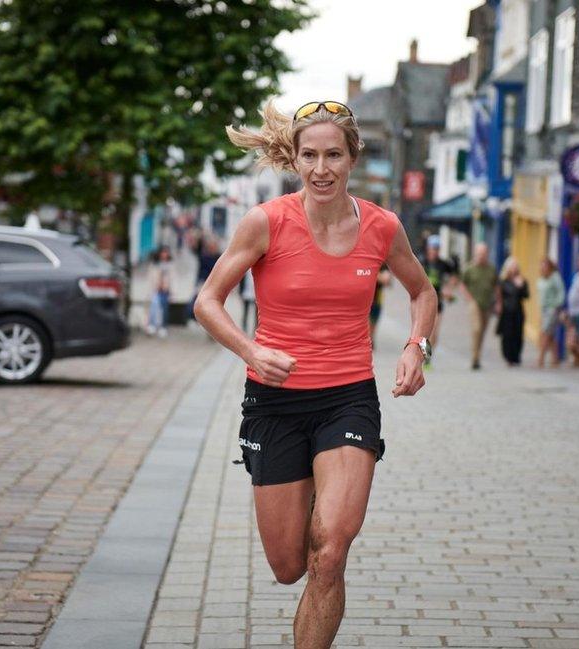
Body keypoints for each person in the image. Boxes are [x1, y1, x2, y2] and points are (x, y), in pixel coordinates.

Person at [194, 99, 436, 649]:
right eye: (310, 156)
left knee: (329, 551)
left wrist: (416, 347)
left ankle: (328, 515)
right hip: (275, 402)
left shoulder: (382, 226)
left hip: (348, 398)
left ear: (353, 159)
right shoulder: (266, 222)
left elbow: (422, 291)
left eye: (333, 155)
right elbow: (208, 301)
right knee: (288, 565)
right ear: (295, 160)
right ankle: (311, 495)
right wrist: (250, 352)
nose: (321, 168)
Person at [419, 234, 457, 362]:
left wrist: (449, 289)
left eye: (437, 248)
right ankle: (422, 355)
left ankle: (428, 357)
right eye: (432, 248)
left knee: (434, 333)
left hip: (438, 302)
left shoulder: (443, 264)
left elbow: (454, 276)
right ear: (428, 248)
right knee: (424, 333)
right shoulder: (422, 262)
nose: (434, 251)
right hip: (423, 302)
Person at [459, 243, 497, 370]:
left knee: (482, 331)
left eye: (484, 254)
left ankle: (477, 356)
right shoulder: (470, 268)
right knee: (476, 328)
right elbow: (463, 285)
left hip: (487, 304)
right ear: (475, 254)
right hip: (474, 302)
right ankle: (474, 358)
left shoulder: (491, 269)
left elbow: (496, 286)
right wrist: (469, 298)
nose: (481, 256)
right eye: (479, 254)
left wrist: (498, 302)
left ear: (487, 254)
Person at [495, 256, 528, 366]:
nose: (514, 269)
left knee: (518, 334)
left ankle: (516, 356)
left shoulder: (522, 280)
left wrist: (521, 286)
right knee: (507, 335)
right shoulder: (503, 280)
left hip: (518, 311)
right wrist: (498, 305)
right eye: (511, 267)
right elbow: (499, 294)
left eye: (515, 267)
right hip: (506, 311)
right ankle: (508, 357)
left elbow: (526, 296)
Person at [536, 257, 565, 368]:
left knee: (545, 333)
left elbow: (561, 293)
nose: (542, 268)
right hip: (544, 309)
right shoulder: (542, 279)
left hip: (552, 309)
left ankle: (541, 359)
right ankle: (555, 359)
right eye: (541, 265)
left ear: (550, 267)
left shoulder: (555, 278)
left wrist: (557, 306)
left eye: (545, 265)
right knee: (551, 336)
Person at [145, 245, 172, 337]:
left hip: (165, 289)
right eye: (163, 252)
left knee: (164, 308)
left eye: (166, 252)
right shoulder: (154, 264)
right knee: (153, 307)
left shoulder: (169, 265)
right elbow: (150, 277)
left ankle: (163, 327)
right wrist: (151, 289)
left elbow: (172, 278)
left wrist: (171, 290)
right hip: (155, 289)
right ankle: (152, 325)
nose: (164, 254)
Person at [368, 264, 392, 345]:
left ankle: (371, 340)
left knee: (373, 323)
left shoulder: (382, 264)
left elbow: (386, 280)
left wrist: (370, 273)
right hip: (363, 300)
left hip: (376, 299)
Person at [239, 268, 257, 334]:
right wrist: (240, 293)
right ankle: (244, 329)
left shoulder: (257, 269)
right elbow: (241, 282)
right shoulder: (245, 270)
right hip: (246, 294)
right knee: (245, 313)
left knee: (257, 314)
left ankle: (255, 330)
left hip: (256, 295)